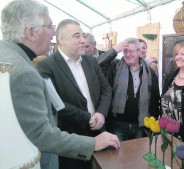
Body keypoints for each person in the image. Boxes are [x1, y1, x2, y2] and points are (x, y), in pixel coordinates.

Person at [0, 1, 120, 169]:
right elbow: (42, 131)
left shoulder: (7, 56)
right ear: (30, 32)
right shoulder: (26, 71)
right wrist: (91, 142)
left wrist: (100, 114)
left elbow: (106, 89)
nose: (53, 33)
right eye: (50, 27)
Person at [35, 19, 113, 169]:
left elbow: (106, 89)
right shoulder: (46, 66)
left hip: (100, 131)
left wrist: (101, 113)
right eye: (77, 36)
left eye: (83, 35)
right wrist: (87, 118)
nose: (83, 40)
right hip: (71, 139)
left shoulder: (90, 61)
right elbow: (56, 104)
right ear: (61, 39)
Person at [106, 37, 160, 141]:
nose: (127, 54)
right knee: (118, 156)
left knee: (137, 155)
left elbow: (155, 98)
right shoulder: (115, 68)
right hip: (119, 124)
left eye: (131, 51)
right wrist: (114, 51)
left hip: (141, 125)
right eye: (125, 51)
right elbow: (98, 65)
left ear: (139, 52)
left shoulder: (150, 73)